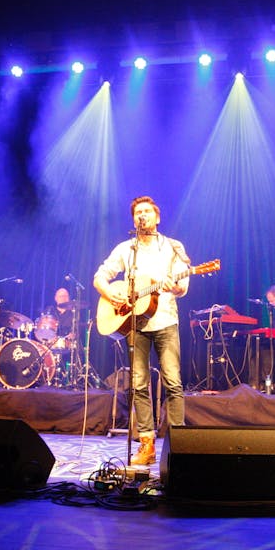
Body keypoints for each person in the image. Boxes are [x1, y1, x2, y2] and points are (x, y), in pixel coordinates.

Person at [93, 196, 190, 465]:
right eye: (138, 213)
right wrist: (111, 294)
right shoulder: (126, 249)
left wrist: (176, 286)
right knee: (137, 384)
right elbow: (100, 276)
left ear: (157, 217)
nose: (142, 216)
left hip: (166, 321)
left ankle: (178, 445)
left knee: (172, 381)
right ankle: (146, 443)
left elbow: (184, 283)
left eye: (147, 211)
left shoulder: (173, 247)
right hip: (135, 325)